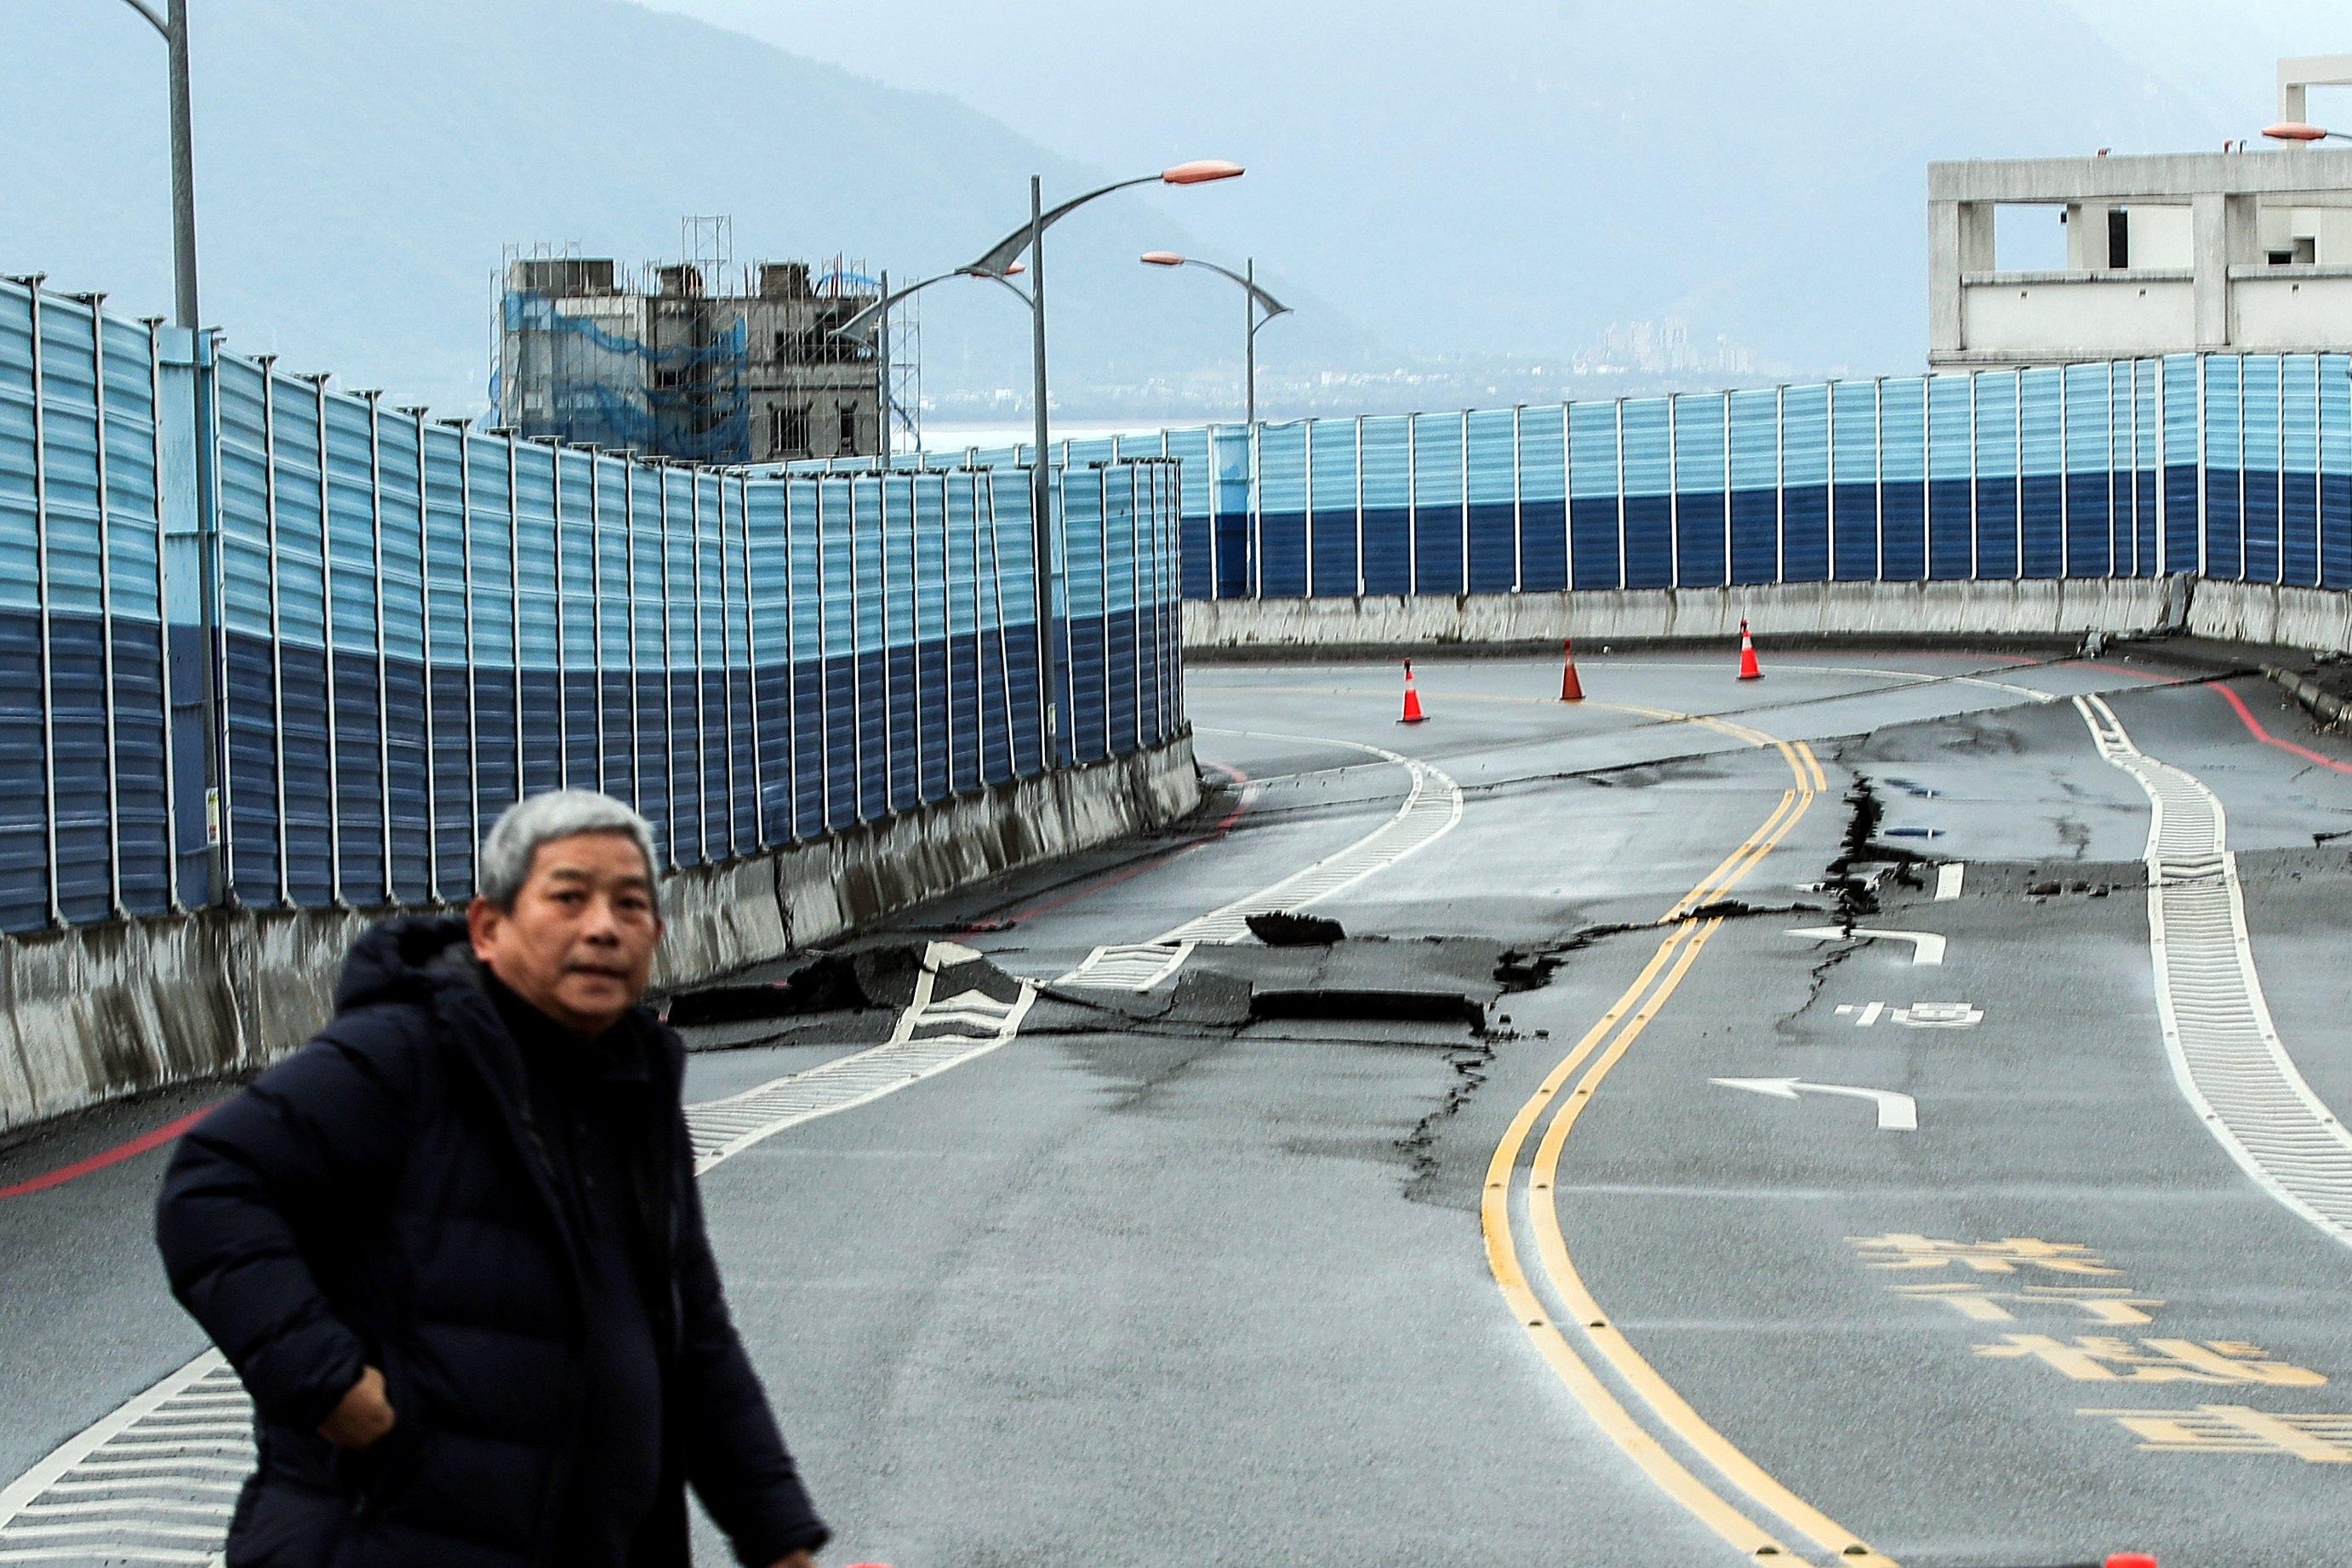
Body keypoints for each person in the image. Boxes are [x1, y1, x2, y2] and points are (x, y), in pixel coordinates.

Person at [156, 790, 828, 1568]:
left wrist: (779, 1537)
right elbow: (211, 1182)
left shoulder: (634, 1096)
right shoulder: (405, 1054)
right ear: (488, 927)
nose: (603, 926)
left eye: (630, 903)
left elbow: (693, 1341)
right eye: (569, 897)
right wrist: (324, 1380)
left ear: (655, 933)